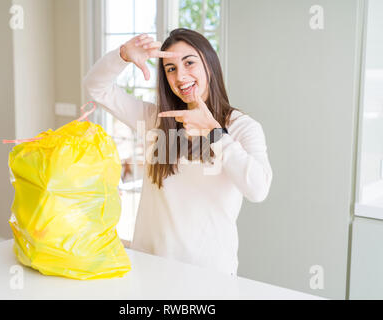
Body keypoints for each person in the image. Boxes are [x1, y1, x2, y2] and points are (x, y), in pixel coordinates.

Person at [83, 28, 273, 276]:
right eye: (171, 68)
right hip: (149, 266)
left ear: (210, 65)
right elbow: (96, 87)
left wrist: (215, 133)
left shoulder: (241, 127)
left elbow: (258, 189)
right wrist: (123, 55)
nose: (180, 76)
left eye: (189, 63)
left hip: (208, 276)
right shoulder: (155, 120)